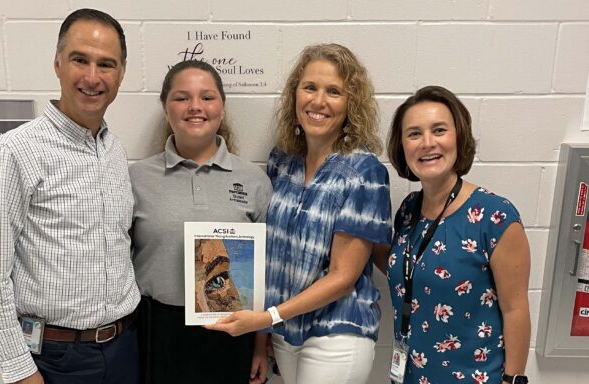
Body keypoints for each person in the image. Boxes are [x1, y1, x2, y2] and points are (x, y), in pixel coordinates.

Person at [0, 9, 140, 384]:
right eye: (80, 60)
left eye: (106, 64)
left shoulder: (114, 151)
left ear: (121, 74)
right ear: (58, 63)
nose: (92, 77)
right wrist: (20, 372)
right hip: (55, 359)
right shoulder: (12, 153)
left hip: (125, 348)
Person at [206, 43, 392, 384]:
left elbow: (342, 276)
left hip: (337, 332)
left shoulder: (364, 171)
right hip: (283, 332)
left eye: (334, 91)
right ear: (295, 94)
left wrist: (266, 318)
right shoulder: (282, 162)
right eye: (310, 87)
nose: (318, 101)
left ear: (351, 104)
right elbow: (268, 257)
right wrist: (261, 341)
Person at [129, 59, 273, 384]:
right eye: (182, 97)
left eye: (207, 97)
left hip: (232, 331)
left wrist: (261, 345)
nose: (196, 107)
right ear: (166, 108)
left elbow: (265, 273)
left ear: (222, 107)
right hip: (156, 333)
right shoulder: (135, 179)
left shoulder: (254, 180)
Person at [384, 85, 530, 383]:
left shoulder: (496, 217)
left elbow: (516, 309)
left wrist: (513, 380)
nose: (427, 143)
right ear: (402, 146)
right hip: (411, 374)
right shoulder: (408, 210)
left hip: (475, 377)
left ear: (459, 137)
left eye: (439, 130)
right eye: (414, 134)